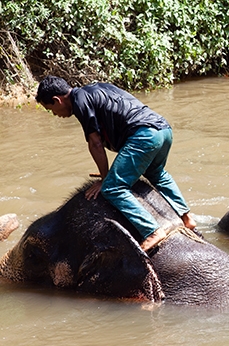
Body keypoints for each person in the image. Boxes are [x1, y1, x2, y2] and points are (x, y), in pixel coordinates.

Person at [36, 76, 196, 252]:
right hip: (163, 130)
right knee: (157, 173)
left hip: (143, 135)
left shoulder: (79, 101)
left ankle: (152, 231)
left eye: (50, 109)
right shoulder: (96, 89)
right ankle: (187, 217)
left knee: (113, 188)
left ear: (56, 100)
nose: (54, 114)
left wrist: (106, 179)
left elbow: (95, 143)